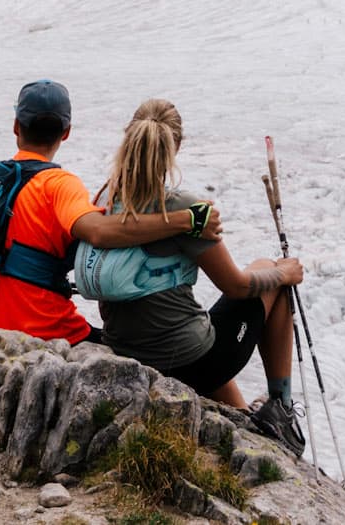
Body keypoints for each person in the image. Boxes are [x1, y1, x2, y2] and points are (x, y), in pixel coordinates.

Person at [93, 98, 307, 454]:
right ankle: (281, 407)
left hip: (127, 349)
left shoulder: (106, 199)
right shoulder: (183, 208)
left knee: (196, 324)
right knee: (270, 277)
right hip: (188, 364)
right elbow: (236, 286)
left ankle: (245, 419)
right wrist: (283, 272)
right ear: (175, 147)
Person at [0, 80, 221, 346]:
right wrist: (186, 220)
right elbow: (99, 232)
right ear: (66, 131)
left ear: (16, 126)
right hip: (49, 332)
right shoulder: (59, 185)